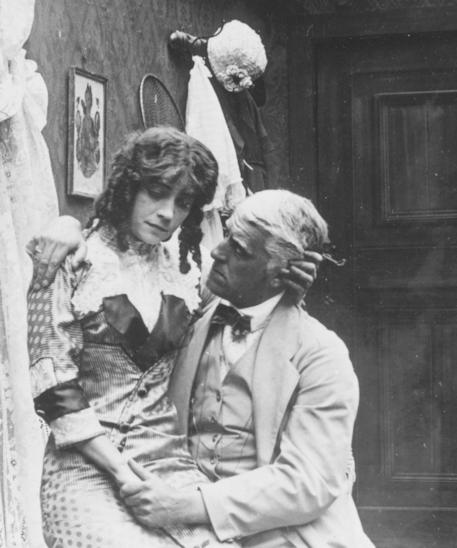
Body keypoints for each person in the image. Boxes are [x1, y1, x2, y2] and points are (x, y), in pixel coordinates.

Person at [119, 189, 375, 547]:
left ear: (282, 272)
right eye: (226, 235)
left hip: (283, 534)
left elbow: (308, 482)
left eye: (238, 250)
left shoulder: (321, 354)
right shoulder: (194, 309)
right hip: (177, 518)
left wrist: (189, 506)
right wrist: (67, 228)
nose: (216, 252)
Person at [27, 127, 235, 547]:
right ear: (128, 186)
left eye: (183, 203)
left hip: (168, 467)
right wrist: (122, 473)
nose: (167, 213)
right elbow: (53, 391)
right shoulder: (72, 260)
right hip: (86, 470)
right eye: (156, 192)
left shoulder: (186, 272)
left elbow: (253, 299)